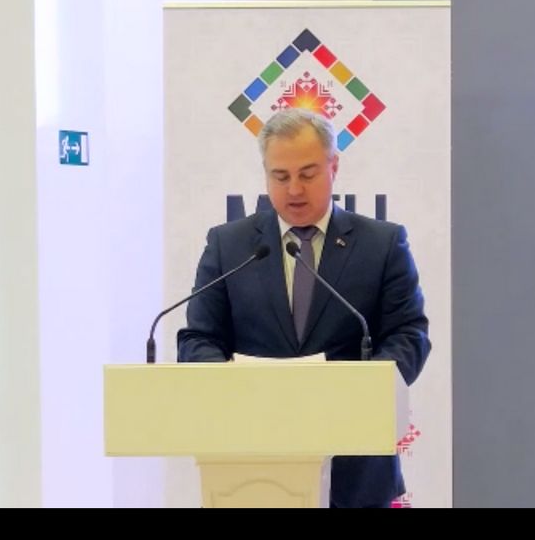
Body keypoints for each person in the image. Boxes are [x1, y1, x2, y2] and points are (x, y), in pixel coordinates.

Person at [177, 107, 431, 508]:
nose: (294, 189)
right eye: (280, 176)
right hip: (250, 465)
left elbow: (409, 334)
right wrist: (229, 385)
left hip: (356, 469)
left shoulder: (382, 244)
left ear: (334, 167)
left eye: (307, 174)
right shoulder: (230, 245)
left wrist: (364, 391)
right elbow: (198, 338)